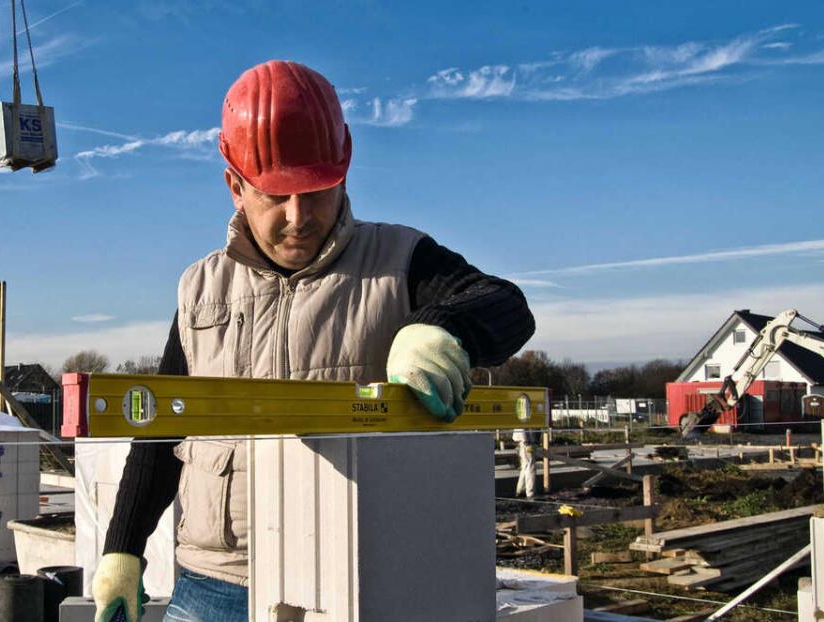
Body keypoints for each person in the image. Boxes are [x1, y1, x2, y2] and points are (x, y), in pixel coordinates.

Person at [90, 60, 536, 622]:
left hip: (348, 579)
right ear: (235, 186)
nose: (299, 216)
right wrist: (122, 549)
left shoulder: (396, 261)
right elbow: (160, 424)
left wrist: (443, 327)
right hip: (214, 584)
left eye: (316, 191)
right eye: (276, 195)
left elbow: (506, 305)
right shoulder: (201, 290)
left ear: (343, 175)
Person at [513, 428, 536, 499]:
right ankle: (530, 493)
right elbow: (522, 426)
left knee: (525, 467)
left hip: (522, 442)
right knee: (530, 468)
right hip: (526, 443)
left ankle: (520, 491)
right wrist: (526, 440)